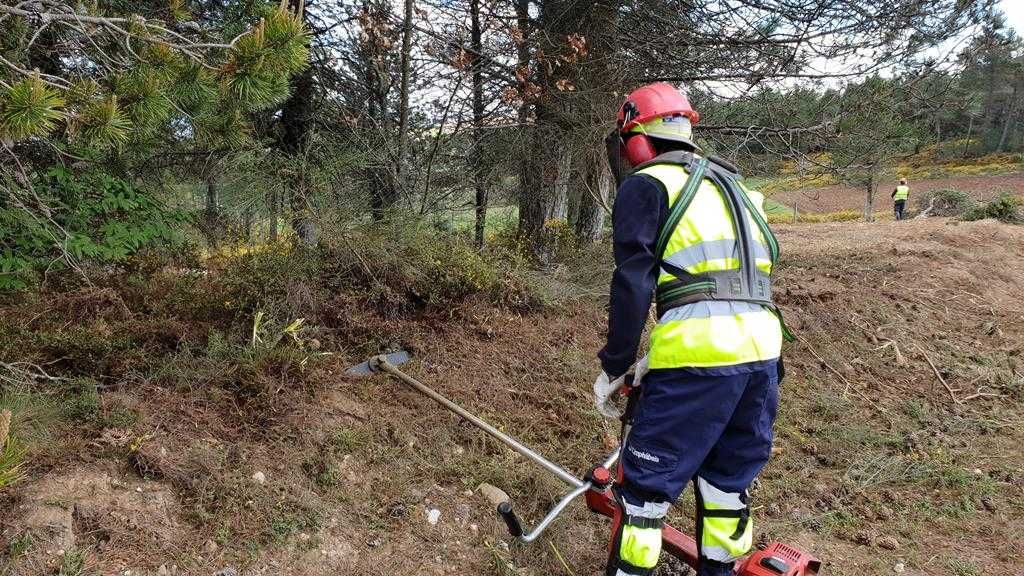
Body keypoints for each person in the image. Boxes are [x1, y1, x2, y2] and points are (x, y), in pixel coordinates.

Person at [593, 82, 788, 576]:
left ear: (635, 137)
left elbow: (633, 283)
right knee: (727, 486)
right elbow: (735, 280)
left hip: (697, 360)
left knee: (644, 494)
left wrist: (616, 363)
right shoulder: (738, 186)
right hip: (762, 355)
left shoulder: (650, 182)